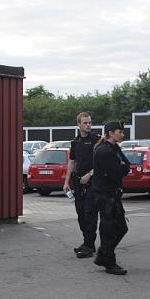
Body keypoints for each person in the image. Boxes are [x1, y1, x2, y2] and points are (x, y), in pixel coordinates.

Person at [90, 121, 131, 275]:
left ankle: (102, 255)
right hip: (105, 196)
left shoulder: (114, 148)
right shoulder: (104, 151)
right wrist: (122, 167)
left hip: (113, 195)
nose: (122, 134)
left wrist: (122, 167)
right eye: (120, 132)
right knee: (109, 230)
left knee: (121, 228)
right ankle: (109, 263)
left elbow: (127, 165)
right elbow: (117, 172)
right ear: (111, 133)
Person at [63, 112, 101, 258]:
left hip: (92, 182)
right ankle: (87, 242)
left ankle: (89, 246)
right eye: (85, 123)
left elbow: (102, 161)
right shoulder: (75, 142)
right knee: (80, 214)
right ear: (78, 124)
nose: (88, 125)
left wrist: (90, 174)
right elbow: (71, 162)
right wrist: (66, 182)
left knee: (89, 213)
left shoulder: (96, 140)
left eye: (90, 122)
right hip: (78, 183)